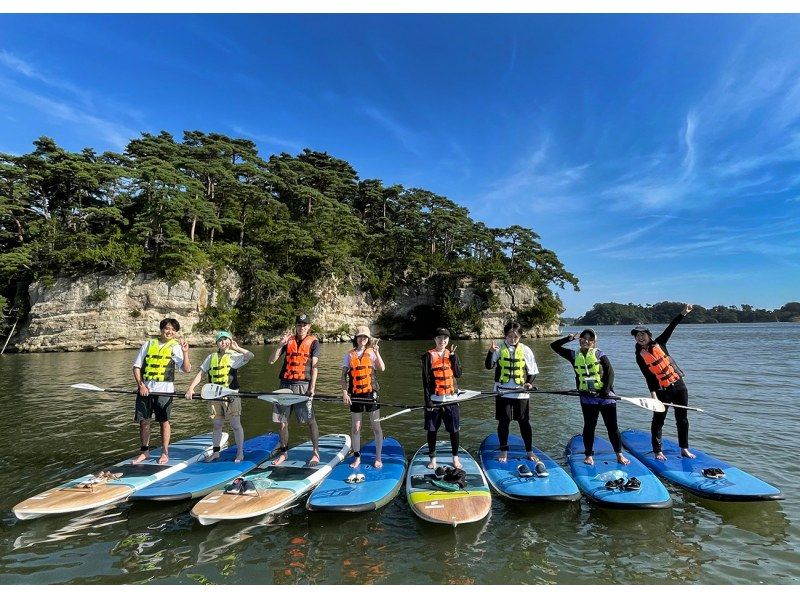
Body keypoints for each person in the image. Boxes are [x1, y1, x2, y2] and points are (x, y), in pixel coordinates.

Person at [550, 329, 630, 466]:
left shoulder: (599, 354)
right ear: (580, 340)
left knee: (612, 427)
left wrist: (605, 391)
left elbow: (610, 373)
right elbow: (554, 346)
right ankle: (588, 455)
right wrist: (567, 339)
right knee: (589, 427)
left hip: (606, 398)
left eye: (589, 339)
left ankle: (619, 454)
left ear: (594, 342)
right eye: (583, 338)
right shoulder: (574, 355)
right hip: (587, 398)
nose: (586, 341)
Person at [632, 303, 696, 461]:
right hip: (662, 391)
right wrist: (653, 394)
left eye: (642, 334)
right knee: (658, 420)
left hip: (680, 387)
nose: (640, 337)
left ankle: (684, 448)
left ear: (649, 335)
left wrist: (683, 313)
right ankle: (657, 450)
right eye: (637, 335)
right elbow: (648, 376)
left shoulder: (660, 343)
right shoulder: (639, 356)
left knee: (682, 419)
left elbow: (671, 326)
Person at [485, 320, 547, 474]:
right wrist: (491, 352)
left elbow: (532, 371)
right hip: (502, 391)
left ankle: (529, 451)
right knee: (504, 421)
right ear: (505, 335)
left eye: (516, 337)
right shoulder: (499, 348)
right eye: (510, 336)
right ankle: (504, 450)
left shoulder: (526, 350)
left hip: (520, 392)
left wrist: (528, 383)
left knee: (524, 422)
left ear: (520, 336)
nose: (512, 339)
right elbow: (488, 366)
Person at [184, 331, 254, 463]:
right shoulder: (211, 357)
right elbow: (201, 373)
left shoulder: (235, 356)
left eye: (226, 339)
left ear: (230, 341)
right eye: (220, 340)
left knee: (235, 425)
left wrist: (237, 348)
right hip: (214, 395)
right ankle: (216, 452)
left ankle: (240, 453)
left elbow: (250, 355)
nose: (223, 342)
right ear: (217, 343)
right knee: (217, 424)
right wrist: (191, 388)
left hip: (231, 395)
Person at [132, 317, 191, 465]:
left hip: (165, 391)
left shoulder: (176, 347)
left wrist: (185, 353)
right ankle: (144, 452)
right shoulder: (148, 344)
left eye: (173, 330)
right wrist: (141, 385)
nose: (169, 331)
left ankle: (165, 452)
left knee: (164, 422)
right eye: (167, 328)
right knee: (144, 422)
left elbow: (186, 369)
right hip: (145, 391)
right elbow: (136, 367)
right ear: (162, 329)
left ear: (175, 333)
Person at [269, 314, 321, 466]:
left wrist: (312, 387)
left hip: (302, 385)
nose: (302, 327)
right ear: (296, 326)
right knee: (282, 422)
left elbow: (315, 368)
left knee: (310, 421)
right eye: (299, 324)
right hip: (285, 385)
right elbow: (271, 361)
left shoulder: (314, 342)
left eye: (305, 324)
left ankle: (315, 452)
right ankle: (284, 452)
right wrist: (280, 345)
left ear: (309, 326)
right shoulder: (288, 341)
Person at [341, 325, 386, 468]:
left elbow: (382, 368)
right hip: (355, 394)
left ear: (368, 339)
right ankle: (357, 457)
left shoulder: (372, 352)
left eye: (365, 337)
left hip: (370, 393)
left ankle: (378, 457)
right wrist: (344, 392)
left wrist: (377, 353)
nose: (363, 339)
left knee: (376, 426)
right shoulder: (349, 355)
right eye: (360, 336)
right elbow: (343, 376)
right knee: (356, 427)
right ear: (356, 338)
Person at [421, 328, 463, 469]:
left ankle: (455, 457)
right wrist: (428, 400)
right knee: (432, 430)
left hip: (451, 400)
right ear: (435, 339)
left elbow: (458, 374)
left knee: (454, 430)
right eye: (439, 338)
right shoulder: (428, 356)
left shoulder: (452, 354)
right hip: (435, 400)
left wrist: (453, 358)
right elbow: (425, 380)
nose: (442, 341)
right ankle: (433, 458)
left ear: (448, 340)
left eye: (445, 338)